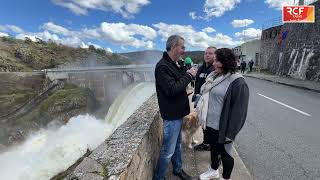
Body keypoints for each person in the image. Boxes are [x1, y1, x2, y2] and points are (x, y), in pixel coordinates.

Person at [198, 48, 249, 180]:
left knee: (225, 154)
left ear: (226, 62)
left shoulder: (238, 82)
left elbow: (240, 112)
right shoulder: (215, 76)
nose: (214, 64)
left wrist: (230, 134)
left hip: (223, 128)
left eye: (217, 61)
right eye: (214, 61)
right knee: (214, 150)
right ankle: (213, 170)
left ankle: (226, 177)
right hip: (210, 123)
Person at [153, 35, 197, 180]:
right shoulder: (162, 67)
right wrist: (189, 75)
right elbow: (172, 89)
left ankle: (177, 170)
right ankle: (159, 177)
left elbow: (179, 79)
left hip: (178, 113)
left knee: (177, 146)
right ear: (173, 47)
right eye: (182, 47)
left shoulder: (173, 63)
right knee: (168, 150)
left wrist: (184, 68)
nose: (184, 50)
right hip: (171, 115)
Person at [192, 46, 216, 151]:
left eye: (210, 53)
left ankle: (213, 147)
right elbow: (197, 83)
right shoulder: (201, 68)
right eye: (206, 53)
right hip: (199, 101)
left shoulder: (215, 69)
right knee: (203, 123)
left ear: (215, 56)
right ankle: (206, 143)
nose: (207, 55)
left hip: (210, 103)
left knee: (210, 127)